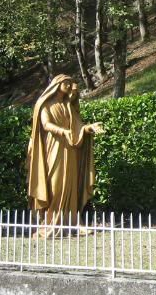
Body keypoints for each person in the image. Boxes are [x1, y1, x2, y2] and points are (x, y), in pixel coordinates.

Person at [27, 75, 104, 236]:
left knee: (71, 183)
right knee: (55, 183)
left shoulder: (68, 106)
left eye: (70, 83)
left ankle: (73, 222)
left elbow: (78, 127)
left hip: (70, 149)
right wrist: (63, 131)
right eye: (66, 83)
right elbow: (46, 124)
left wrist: (90, 127)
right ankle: (51, 223)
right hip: (53, 147)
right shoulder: (45, 104)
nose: (69, 86)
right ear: (57, 84)